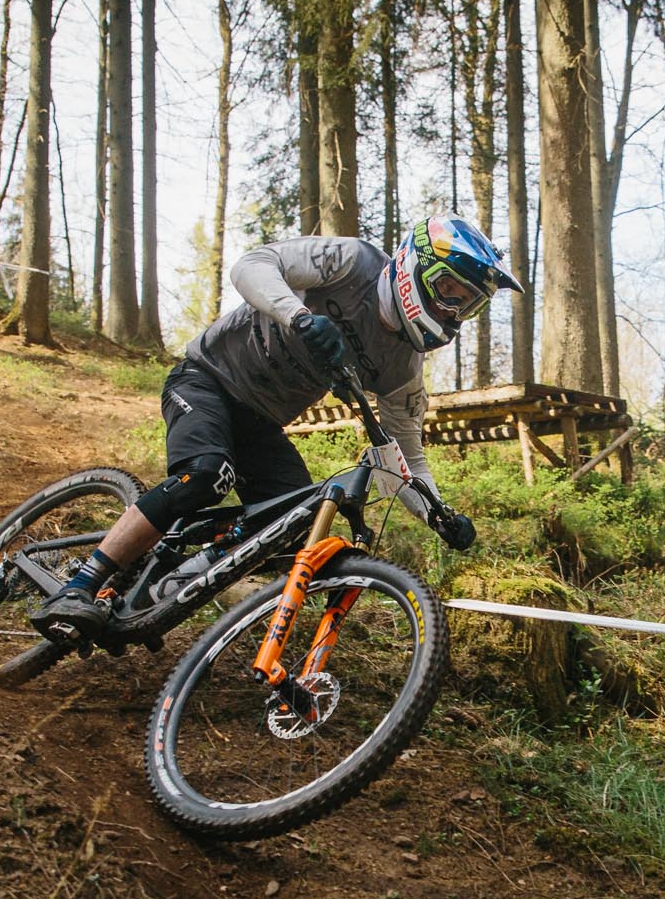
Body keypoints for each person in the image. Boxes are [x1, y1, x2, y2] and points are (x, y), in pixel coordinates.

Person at [33, 215, 516, 644]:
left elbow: (406, 458)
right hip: (206, 379)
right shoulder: (354, 262)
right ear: (416, 268)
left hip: (260, 425)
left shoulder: (403, 368)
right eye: (450, 291)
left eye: (467, 305)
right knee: (205, 474)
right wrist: (299, 317)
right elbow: (252, 265)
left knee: (292, 525)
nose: (452, 311)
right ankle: (79, 585)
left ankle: (163, 588)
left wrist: (437, 514)